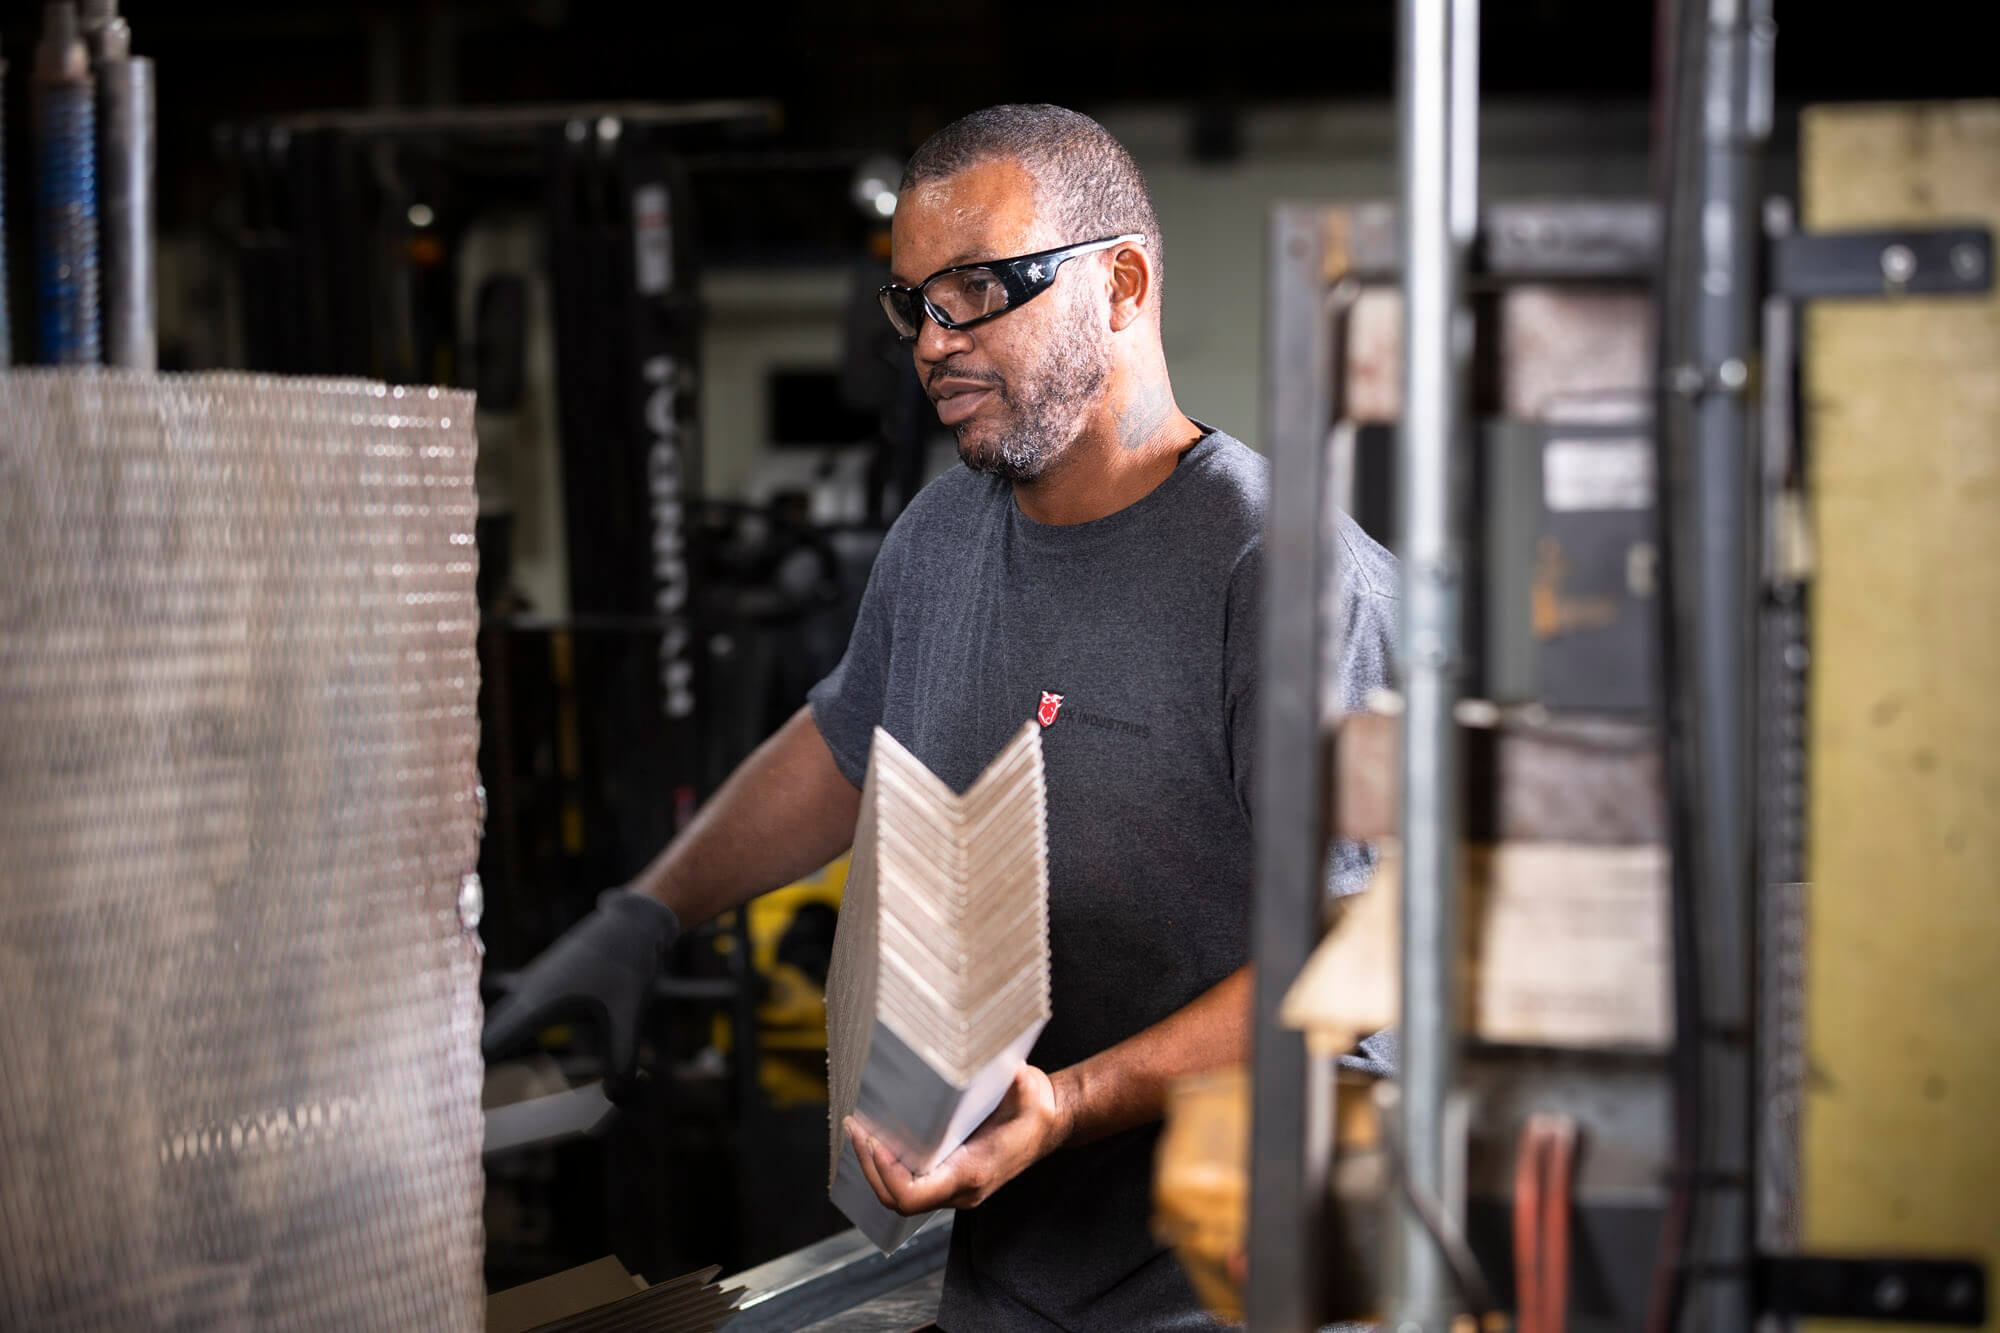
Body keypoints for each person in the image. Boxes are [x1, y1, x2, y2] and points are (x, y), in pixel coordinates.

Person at [486, 103, 1399, 1330]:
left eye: (976, 288)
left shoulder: (1284, 575)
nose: (933, 341)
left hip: (1230, 1290)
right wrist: (647, 911)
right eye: (913, 302)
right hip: (1005, 1274)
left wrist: (1070, 1103)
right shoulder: (940, 536)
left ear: (1120, 282)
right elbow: (846, 746)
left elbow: (1356, 968)